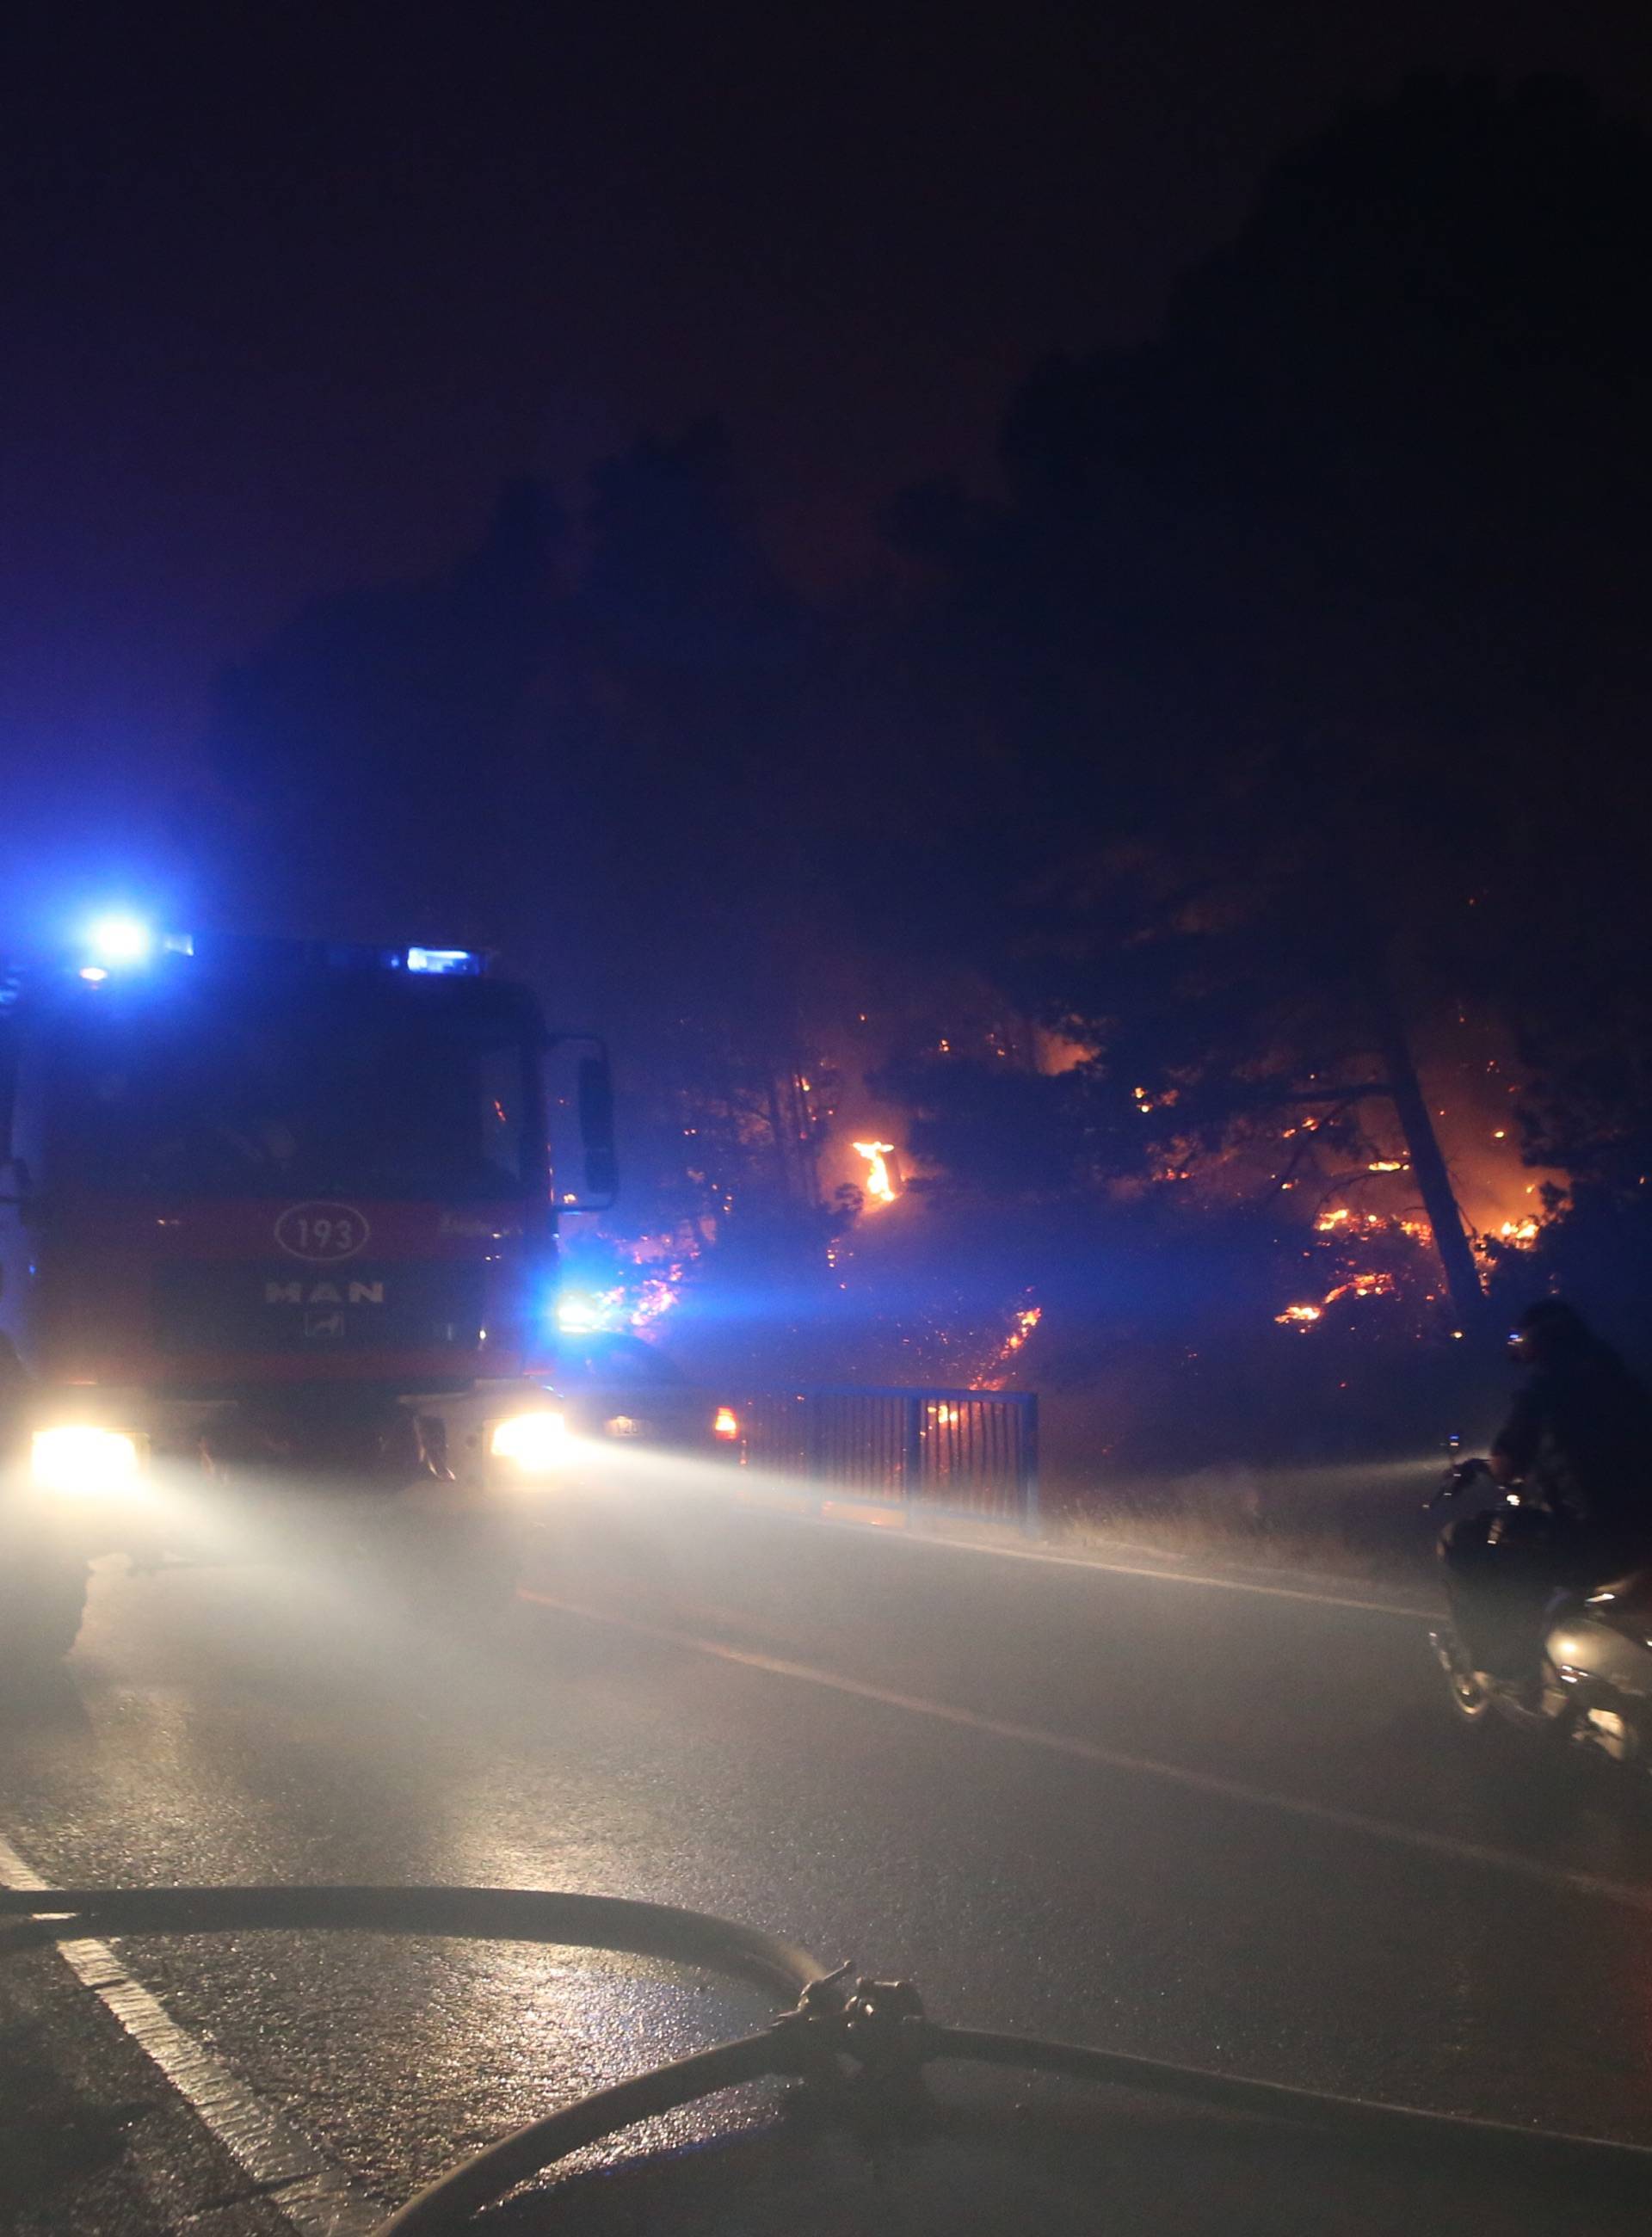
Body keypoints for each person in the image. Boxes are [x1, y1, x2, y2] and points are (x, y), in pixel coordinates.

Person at [1440, 1301, 1652, 1684]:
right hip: (1643, 1534)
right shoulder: (1627, 1384)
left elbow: (1505, 1465)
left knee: (1461, 1540)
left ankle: (1504, 1664)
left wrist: (1480, 1469)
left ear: (1538, 1343)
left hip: (1589, 1542)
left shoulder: (1544, 1394)